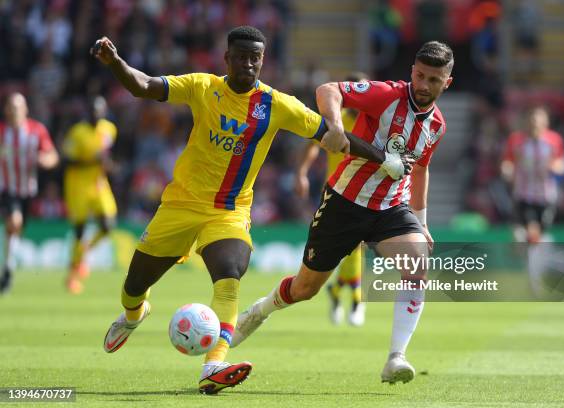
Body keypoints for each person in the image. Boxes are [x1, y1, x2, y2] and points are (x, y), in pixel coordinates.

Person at [91, 26, 407, 394]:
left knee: (229, 275)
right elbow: (142, 85)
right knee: (134, 285)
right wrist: (115, 62)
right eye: (240, 57)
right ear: (227, 59)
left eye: (255, 58)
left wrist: (385, 158)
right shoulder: (202, 86)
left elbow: (332, 135)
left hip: (229, 212)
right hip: (179, 205)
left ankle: (214, 365)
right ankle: (134, 314)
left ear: (263, 60)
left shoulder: (276, 105)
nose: (248, 64)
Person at [232, 41, 454, 385]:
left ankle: (396, 358)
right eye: (420, 76)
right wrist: (335, 125)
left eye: (434, 80)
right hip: (345, 203)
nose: (424, 86)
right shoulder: (385, 95)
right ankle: (260, 311)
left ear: (447, 82)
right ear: (412, 71)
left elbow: (421, 170)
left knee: (417, 265)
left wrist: (422, 224)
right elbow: (328, 90)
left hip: (392, 208)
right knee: (305, 288)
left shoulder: (436, 125)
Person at [294, 72, 369, 326]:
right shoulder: (339, 121)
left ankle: (352, 297)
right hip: (335, 192)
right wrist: (303, 173)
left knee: (356, 246)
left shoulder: (376, 123)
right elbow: (313, 145)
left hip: (365, 194)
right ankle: (346, 294)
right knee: (345, 248)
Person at [0, 93, 59, 294]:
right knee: (14, 222)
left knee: (17, 230)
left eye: (18, 107)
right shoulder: (1, 132)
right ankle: (7, 270)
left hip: (29, 190)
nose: (14, 111)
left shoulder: (37, 130)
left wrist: (46, 160)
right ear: (6, 110)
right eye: (11, 107)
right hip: (7, 189)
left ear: (25, 110)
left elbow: (53, 156)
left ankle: (7, 266)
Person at [63, 96, 118, 294]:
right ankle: (72, 276)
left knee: (108, 225)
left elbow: (106, 155)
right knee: (79, 229)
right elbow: (67, 161)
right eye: (93, 111)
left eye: (100, 112)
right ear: (88, 112)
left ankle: (84, 253)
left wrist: (107, 164)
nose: (97, 115)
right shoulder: (77, 133)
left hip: (99, 183)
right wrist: (91, 160)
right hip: (78, 185)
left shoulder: (109, 129)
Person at [501, 106, 564, 243]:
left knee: (538, 236)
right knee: (525, 233)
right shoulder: (516, 140)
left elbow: (561, 163)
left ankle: (537, 255)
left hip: (546, 195)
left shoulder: (554, 140)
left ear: (545, 123)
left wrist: (555, 167)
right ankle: (530, 255)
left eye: (538, 122)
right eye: (532, 121)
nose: (535, 125)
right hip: (524, 194)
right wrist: (507, 170)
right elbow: (508, 161)